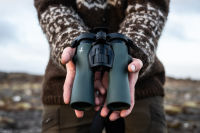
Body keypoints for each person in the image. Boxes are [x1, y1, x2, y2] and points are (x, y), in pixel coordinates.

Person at [34, 0, 169, 132]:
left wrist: (132, 50)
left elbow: (150, 7)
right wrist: (73, 42)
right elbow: (51, 5)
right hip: (66, 82)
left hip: (140, 85)